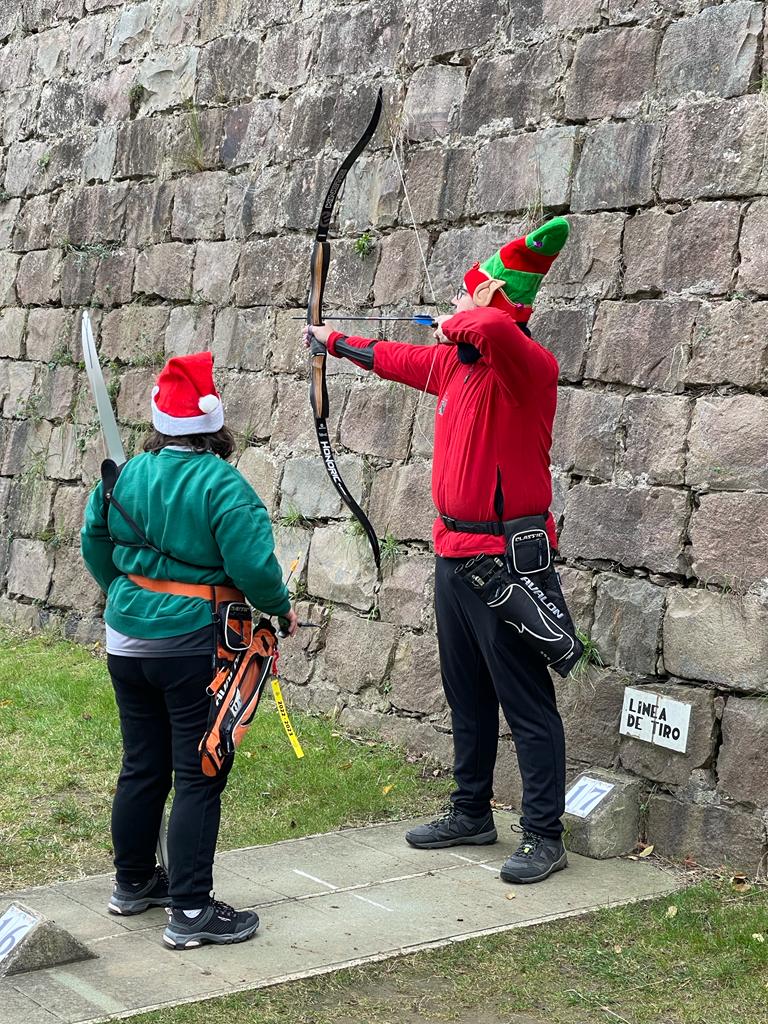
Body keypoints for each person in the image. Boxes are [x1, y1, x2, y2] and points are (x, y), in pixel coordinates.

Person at [304, 218, 575, 884]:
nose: (455, 301)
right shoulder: (457, 365)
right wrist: (330, 340)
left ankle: (544, 835)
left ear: (495, 301)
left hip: (505, 561)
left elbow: (495, 332)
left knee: (526, 701)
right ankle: (471, 811)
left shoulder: (527, 367)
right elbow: (394, 357)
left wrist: (466, 316)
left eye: (468, 292)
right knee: (466, 693)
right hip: (455, 553)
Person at [81, 351, 297, 948]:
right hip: (194, 642)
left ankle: (133, 884)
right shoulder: (223, 485)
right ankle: (191, 911)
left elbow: (95, 544)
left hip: (126, 641)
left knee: (142, 764)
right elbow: (253, 568)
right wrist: (280, 606)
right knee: (200, 772)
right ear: (212, 424)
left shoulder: (124, 477)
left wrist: (126, 595)